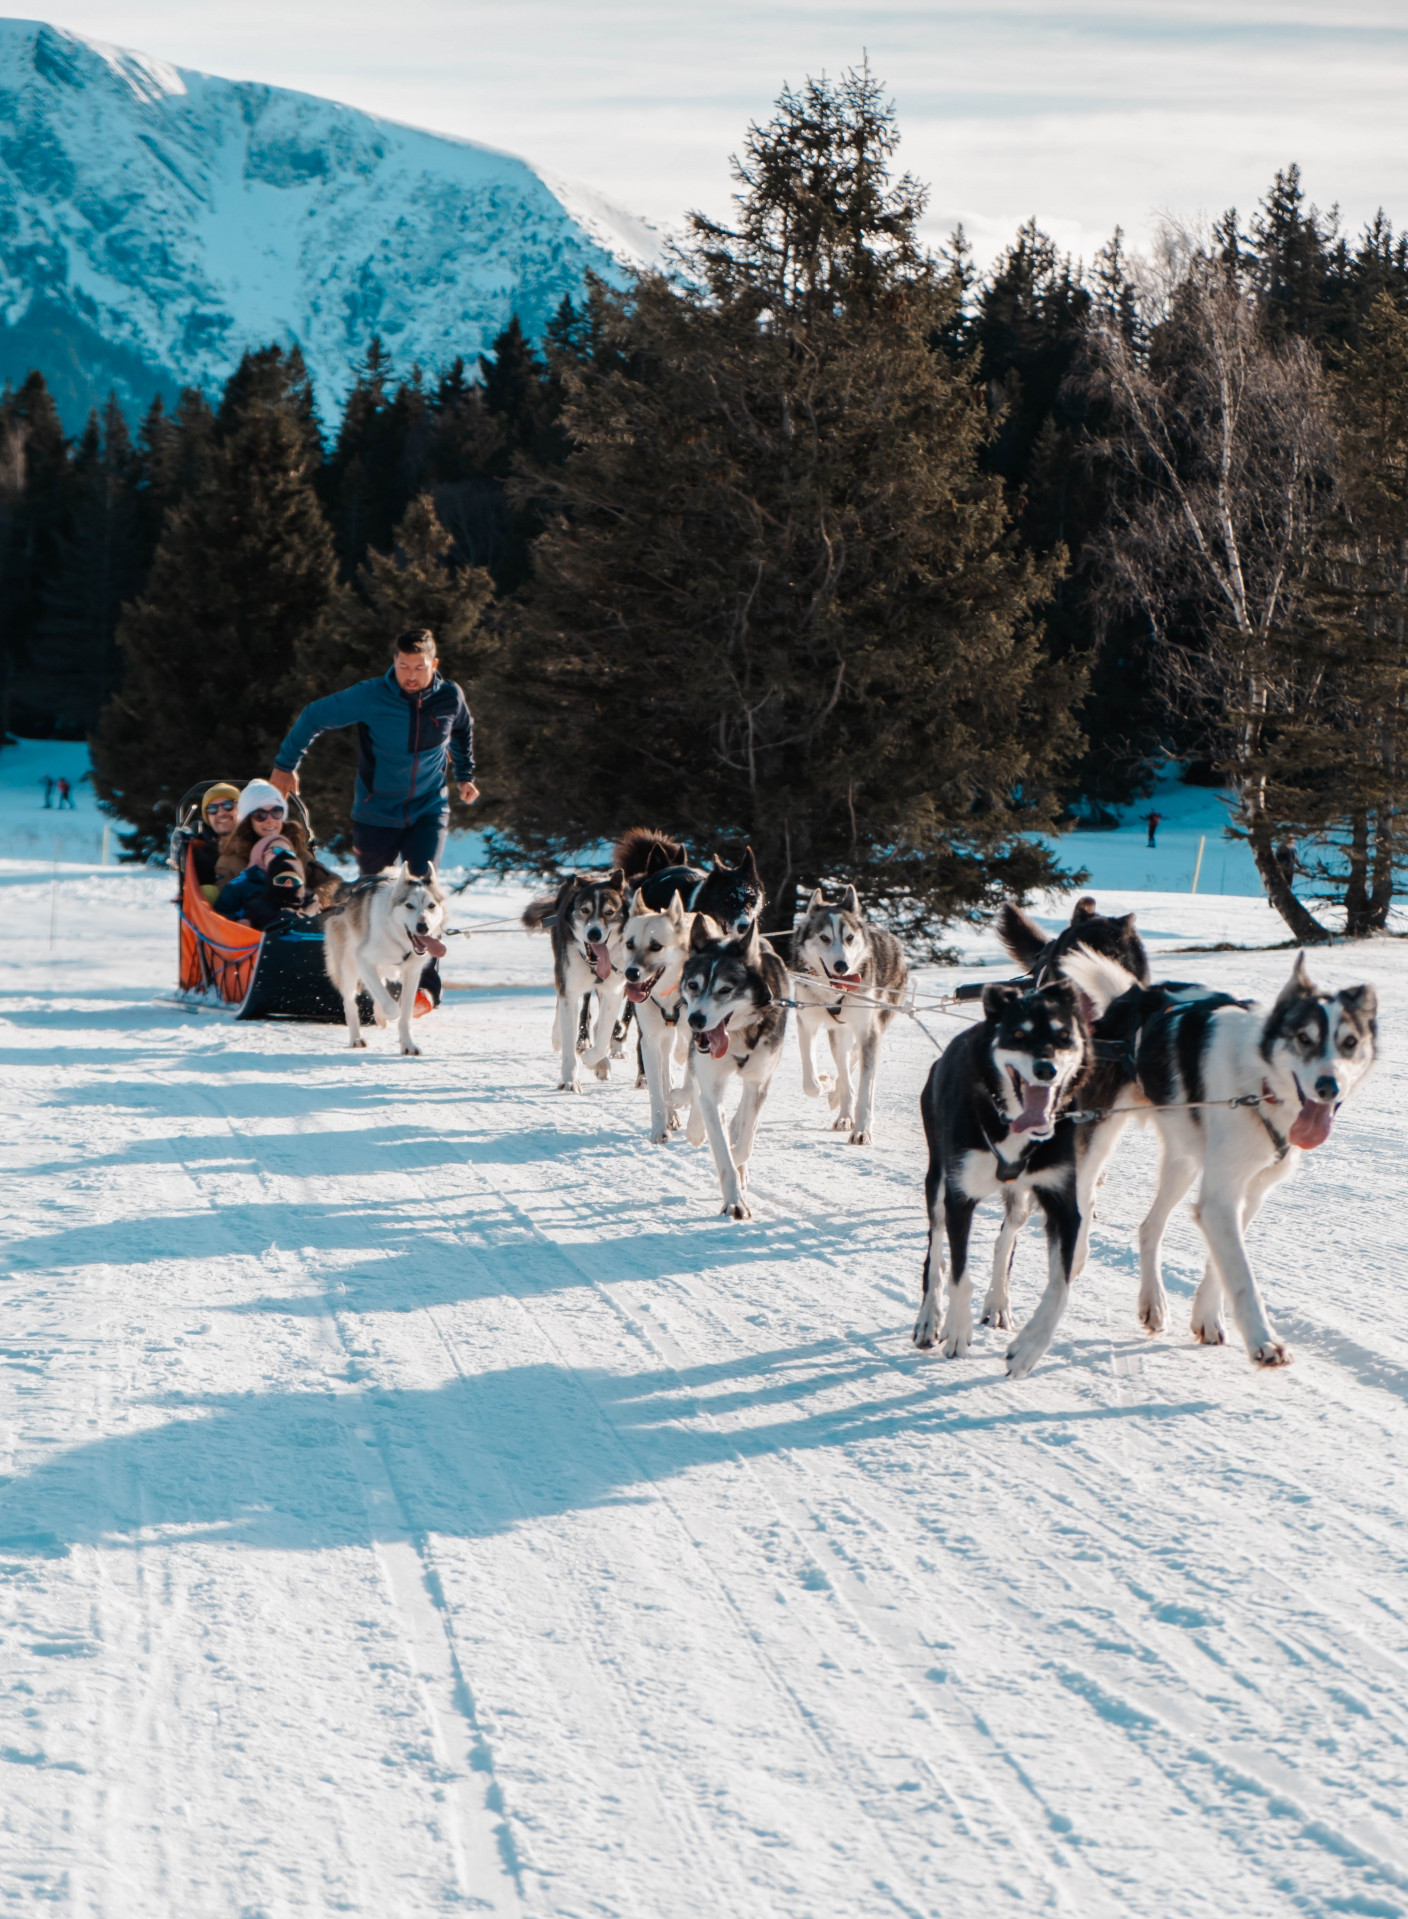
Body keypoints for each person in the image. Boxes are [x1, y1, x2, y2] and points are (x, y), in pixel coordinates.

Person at [268, 626, 478, 1002]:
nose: (410, 675)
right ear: (393, 662)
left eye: (419, 667)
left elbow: (462, 730)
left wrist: (464, 774)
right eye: (403, 666)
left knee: (422, 890)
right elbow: (314, 715)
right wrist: (285, 765)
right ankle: (371, 980)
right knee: (374, 895)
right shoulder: (372, 695)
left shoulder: (450, 696)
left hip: (428, 809)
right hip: (375, 814)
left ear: (434, 664)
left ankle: (423, 987)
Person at [214, 781, 314, 930]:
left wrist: (312, 904)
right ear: (248, 820)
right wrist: (238, 920)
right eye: (260, 815)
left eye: (276, 812)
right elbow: (224, 903)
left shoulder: (298, 853)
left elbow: (328, 884)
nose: (270, 819)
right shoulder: (232, 861)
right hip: (251, 933)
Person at [190, 783, 240, 900]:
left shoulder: (258, 840)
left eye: (228, 805)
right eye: (212, 809)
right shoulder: (201, 853)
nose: (221, 813)